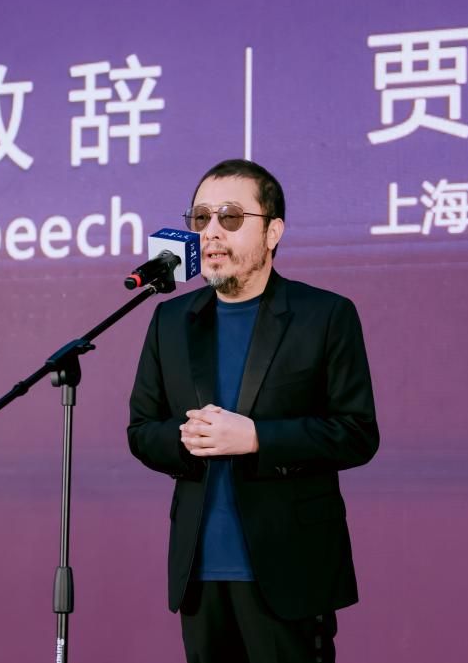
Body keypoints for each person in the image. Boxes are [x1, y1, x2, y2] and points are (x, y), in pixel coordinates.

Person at [127, 159, 379, 662]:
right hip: (200, 570)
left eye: (231, 217)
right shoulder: (170, 320)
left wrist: (257, 438)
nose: (211, 233)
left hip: (291, 570)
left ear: (273, 231)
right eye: (201, 218)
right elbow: (142, 430)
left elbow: (356, 433)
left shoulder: (325, 314)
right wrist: (185, 439)